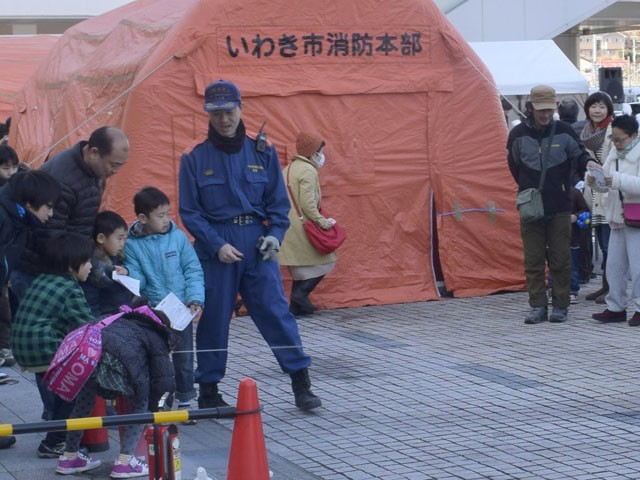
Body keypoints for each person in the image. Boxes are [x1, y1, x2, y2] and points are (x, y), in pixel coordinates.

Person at [178, 79, 321, 411]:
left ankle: (301, 383)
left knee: (275, 312)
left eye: (229, 111)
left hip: (258, 246)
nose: (224, 119)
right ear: (207, 114)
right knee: (214, 319)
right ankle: (209, 390)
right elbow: (190, 212)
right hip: (216, 249)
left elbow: (278, 204)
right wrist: (216, 245)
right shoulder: (194, 156)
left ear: (241, 108)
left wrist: (275, 236)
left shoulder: (263, 150)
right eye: (216, 113)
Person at [507, 84, 598, 325]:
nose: (546, 114)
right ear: (530, 108)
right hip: (531, 206)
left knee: (561, 259)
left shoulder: (565, 131)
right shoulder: (517, 135)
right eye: (541, 110)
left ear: (555, 108)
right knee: (533, 260)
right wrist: (529, 187)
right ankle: (537, 306)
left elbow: (580, 155)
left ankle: (560, 305)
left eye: (549, 109)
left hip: (560, 205)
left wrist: (589, 163)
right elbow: (514, 166)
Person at [10, 126, 130, 302]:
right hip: (39, 269)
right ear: (94, 153)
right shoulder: (64, 179)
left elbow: (82, 222)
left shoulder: (95, 171)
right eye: (113, 164)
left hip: (68, 263)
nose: (115, 171)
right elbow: (50, 235)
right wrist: (86, 265)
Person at [55, 306, 175, 477]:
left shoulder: (118, 318)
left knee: (83, 405)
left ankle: (69, 457)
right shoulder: (155, 334)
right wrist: (159, 407)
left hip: (87, 355)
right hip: (117, 362)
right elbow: (164, 379)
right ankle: (125, 463)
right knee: (141, 405)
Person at [10, 232, 94, 458]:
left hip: (23, 346)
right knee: (72, 389)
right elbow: (89, 325)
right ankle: (54, 442)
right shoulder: (70, 289)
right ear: (70, 265)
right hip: (42, 347)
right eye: (87, 261)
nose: (91, 266)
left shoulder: (43, 278)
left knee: (59, 391)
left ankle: (54, 423)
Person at [124, 186, 203, 418]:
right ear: (143, 218)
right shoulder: (131, 245)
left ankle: (185, 399)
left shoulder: (178, 238)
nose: (166, 220)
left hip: (181, 310)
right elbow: (137, 279)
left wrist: (195, 298)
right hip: (153, 313)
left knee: (184, 356)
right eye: (160, 215)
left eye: (168, 214)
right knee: (157, 359)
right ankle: (159, 402)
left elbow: (192, 269)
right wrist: (126, 273)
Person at [0, 170, 60, 450]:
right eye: (48, 206)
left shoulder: (19, 220)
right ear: (29, 202)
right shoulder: (5, 217)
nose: (51, 213)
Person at [279, 132, 337, 316]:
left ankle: (297, 306)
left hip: (288, 225)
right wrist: (323, 222)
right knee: (325, 261)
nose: (322, 155)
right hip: (303, 225)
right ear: (313, 152)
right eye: (321, 151)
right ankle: (299, 297)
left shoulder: (289, 168)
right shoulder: (308, 170)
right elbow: (308, 204)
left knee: (300, 267)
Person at [590, 114, 640, 326]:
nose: (617, 144)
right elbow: (606, 183)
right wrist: (594, 181)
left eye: (621, 139)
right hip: (617, 216)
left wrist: (617, 180)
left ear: (634, 135)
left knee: (638, 268)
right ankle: (615, 307)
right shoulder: (613, 153)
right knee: (614, 266)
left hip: (636, 218)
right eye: (614, 139)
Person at [579, 91, 615, 304]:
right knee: (602, 243)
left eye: (602, 106)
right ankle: (605, 285)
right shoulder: (587, 132)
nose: (598, 110)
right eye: (594, 106)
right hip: (593, 190)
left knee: (610, 244)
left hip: (610, 191)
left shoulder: (613, 129)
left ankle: (612, 288)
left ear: (609, 109)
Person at [81, 211, 136, 317]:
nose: (122, 244)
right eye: (119, 238)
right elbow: (91, 302)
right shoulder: (92, 268)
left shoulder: (119, 259)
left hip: (125, 314)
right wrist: (97, 324)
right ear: (101, 238)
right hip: (108, 319)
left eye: (124, 239)